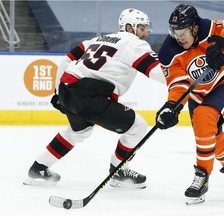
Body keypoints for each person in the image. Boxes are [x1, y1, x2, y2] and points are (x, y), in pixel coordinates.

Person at [23, 8, 165, 189]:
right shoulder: (134, 44)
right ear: (129, 27)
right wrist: (185, 80)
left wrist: (58, 92)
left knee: (78, 132)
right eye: (142, 28)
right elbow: (158, 73)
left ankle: (38, 169)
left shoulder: (96, 39)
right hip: (89, 95)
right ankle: (119, 172)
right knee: (138, 127)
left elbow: (67, 60)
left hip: (68, 89)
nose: (146, 33)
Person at [156, 4, 224, 204]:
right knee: (209, 134)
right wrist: (172, 105)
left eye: (183, 31)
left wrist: (223, 40)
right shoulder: (168, 52)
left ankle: (202, 177)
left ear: (195, 28)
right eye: (175, 32)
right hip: (198, 95)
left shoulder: (209, 28)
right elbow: (178, 83)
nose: (179, 37)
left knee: (204, 117)